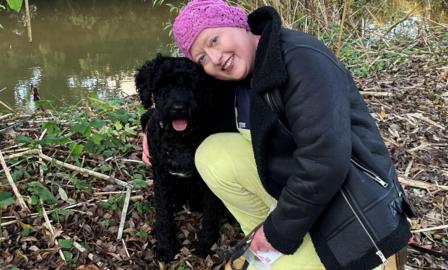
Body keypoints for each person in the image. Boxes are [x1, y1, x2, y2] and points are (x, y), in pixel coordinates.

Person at [144, 0, 414, 269]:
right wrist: (152, 123)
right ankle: (269, 235)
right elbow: (192, 106)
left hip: (352, 205)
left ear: (238, 22)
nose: (215, 58)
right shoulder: (236, 75)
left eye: (214, 40)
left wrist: (279, 232)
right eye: (202, 57)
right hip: (300, 192)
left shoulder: (302, 59)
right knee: (212, 153)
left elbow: (325, 161)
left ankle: (285, 241)